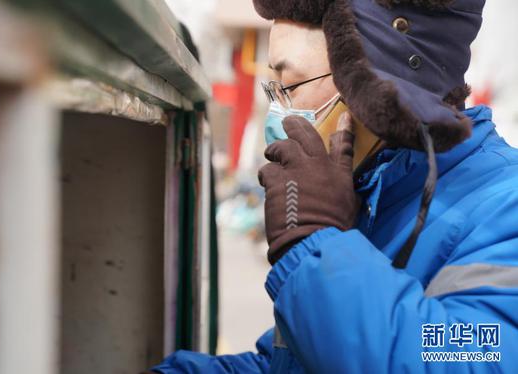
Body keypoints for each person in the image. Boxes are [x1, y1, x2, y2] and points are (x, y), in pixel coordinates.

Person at [153, 0, 518, 372]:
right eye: (273, 89)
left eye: (290, 85)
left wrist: (316, 243)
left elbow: (467, 361)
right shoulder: (368, 194)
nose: (280, 111)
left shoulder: (507, 209)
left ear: (377, 87)